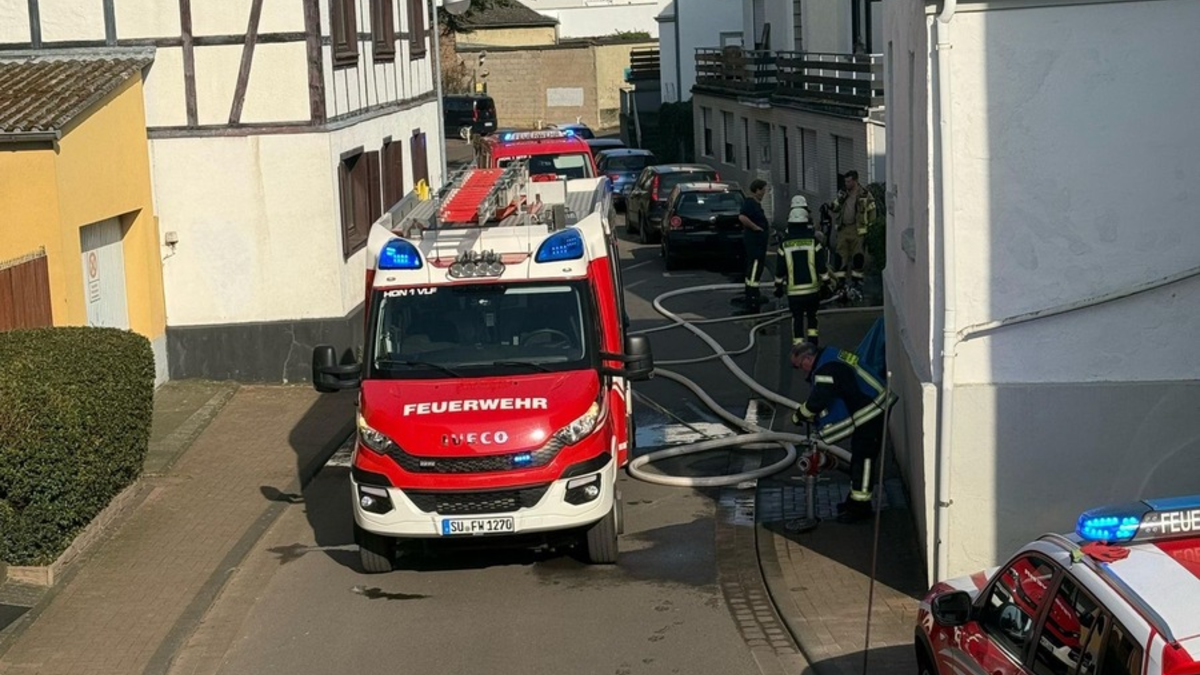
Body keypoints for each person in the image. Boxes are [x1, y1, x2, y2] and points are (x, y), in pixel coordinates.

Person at [789, 341, 892, 523]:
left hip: (871, 410)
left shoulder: (825, 370)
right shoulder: (830, 355)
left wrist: (799, 415)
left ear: (808, 358)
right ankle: (854, 500)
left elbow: (818, 400)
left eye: (799, 366)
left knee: (864, 459)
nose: (802, 371)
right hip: (873, 404)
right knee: (859, 456)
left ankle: (861, 507)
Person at [773, 197, 829, 346]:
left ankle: (798, 349)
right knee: (812, 319)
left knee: (797, 319)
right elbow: (822, 268)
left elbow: (779, 270)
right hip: (812, 292)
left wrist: (778, 287)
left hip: (794, 293)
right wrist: (826, 284)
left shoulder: (784, 244)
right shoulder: (814, 242)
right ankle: (813, 348)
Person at [826, 170, 876, 291]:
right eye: (845, 181)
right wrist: (830, 206)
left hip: (858, 230)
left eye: (849, 181)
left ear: (855, 181)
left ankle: (857, 282)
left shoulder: (865, 195)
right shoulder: (843, 193)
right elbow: (836, 206)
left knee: (858, 257)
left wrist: (870, 226)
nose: (846, 184)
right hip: (843, 229)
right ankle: (840, 282)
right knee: (840, 256)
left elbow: (872, 211)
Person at [734, 179, 771, 312]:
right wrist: (756, 228)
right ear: (757, 190)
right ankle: (752, 294)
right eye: (763, 189)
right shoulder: (750, 203)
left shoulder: (756, 204)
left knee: (758, 266)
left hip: (759, 243)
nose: (764, 192)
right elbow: (742, 217)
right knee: (755, 267)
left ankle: (754, 292)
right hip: (754, 243)